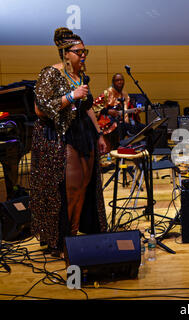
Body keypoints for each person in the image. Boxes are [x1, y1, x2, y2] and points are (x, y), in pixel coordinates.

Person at [30, 27, 108, 257]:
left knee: (84, 186)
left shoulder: (81, 77)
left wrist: (100, 134)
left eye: (85, 51)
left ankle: (73, 233)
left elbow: (88, 108)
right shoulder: (51, 74)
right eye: (79, 52)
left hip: (84, 134)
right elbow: (40, 109)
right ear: (66, 53)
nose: (83, 56)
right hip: (61, 136)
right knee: (69, 189)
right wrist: (71, 96)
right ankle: (61, 238)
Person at [93, 73, 144, 151]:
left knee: (143, 128)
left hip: (124, 122)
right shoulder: (107, 93)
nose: (120, 82)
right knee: (120, 127)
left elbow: (129, 109)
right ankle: (117, 150)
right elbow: (94, 106)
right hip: (110, 122)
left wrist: (135, 112)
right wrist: (108, 111)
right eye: (117, 80)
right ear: (113, 82)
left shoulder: (125, 95)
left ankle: (138, 150)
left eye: (121, 80)